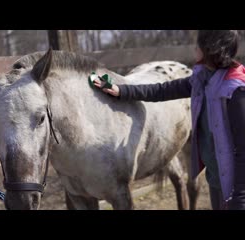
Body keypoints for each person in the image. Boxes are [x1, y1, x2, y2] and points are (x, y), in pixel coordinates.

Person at [94, 30, 245, 210]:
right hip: (216, 177)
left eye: (199, 44)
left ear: (210, 50)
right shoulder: (202, 79)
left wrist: (240, 198)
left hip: (235, 187)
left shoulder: (235, 92)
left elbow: (243, 151)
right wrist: (121, 91)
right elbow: (162, 90)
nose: (195, 47)